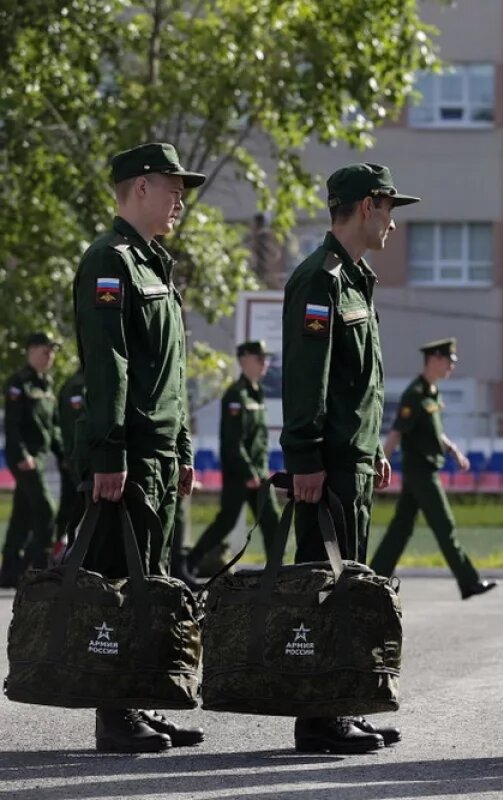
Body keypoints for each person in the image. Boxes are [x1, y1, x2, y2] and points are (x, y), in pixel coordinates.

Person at [72, 142, 206, 753]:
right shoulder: (111, 260)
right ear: (140, 187)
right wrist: (108, 452)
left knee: (150, 581)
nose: (180, 200)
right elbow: (110, 365)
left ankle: (143, 700)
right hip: (126, 455)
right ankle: (115, 713)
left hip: (157, 454)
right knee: (119, 584)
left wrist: (182, 448)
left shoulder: (155, 264)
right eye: (172, 188)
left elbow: (169, 372)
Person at [280, 162, 417, 754]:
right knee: (322, 588)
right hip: (327, 467)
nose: (393, 224)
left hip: (351, 461)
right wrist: (305, 457)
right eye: (389, 210)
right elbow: (306, 380)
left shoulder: (356, 279)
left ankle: (339, 704)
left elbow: (355, 384)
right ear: (367, 206)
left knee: (347, 587)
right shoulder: (321, 279)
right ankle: (317, 717)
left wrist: (373, 446)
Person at [369, 338, 496, 599]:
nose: (451, 366)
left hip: (423, 471)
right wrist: (380, 466)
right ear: (434, 359)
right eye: (448, 360)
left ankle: (372, 580)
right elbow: (396, 433)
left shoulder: (431, 392)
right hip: (421, 473)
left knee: (400, 529)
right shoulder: (415, 394)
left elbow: (435, 431)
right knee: (444, 525)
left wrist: (453, 450)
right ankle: (469, 581)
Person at [185, 340, 280, 576]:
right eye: (259, 358)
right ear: (244, 360)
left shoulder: (256, 393)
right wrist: (248, 473)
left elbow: (258, 440)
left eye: (265, 359)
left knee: (272, 521)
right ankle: (190, 563)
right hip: (240, 475)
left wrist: (260, 471)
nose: (264, 363)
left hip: (258, 473)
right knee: (226, 522)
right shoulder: (236, 395)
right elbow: (232, 441)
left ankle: (277, 573)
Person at [1, 333, 63, 586]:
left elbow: (53, 428)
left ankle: (10, 571)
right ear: (31, 351)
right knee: (46, 509)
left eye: (52, 351)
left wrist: (64, 455)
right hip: (24, 458)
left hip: (40, 456)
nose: (50, 356)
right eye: (45, 351)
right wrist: (22, 455)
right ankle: (38, 567)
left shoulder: (47, 384)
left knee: (22, 514)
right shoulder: (19, 383)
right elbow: (12, 424)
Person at [53, 366, 86, 555]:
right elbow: (72, 425)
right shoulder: (78, 385)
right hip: (79, 460)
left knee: (72, 508)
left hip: (75, 458)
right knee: (76, 510)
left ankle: (63, 553)